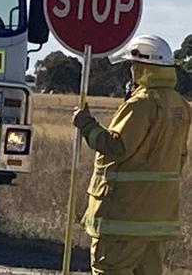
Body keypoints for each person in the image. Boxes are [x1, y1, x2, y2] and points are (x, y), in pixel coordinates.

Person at [72, 35, 191, 275]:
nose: (131, 72)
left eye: (132, 66)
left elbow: (117, 146)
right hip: (156, 219)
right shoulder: (179, 105)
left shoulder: (141, 103)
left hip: (123, 217)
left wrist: (86, 125)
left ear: (141, 66)